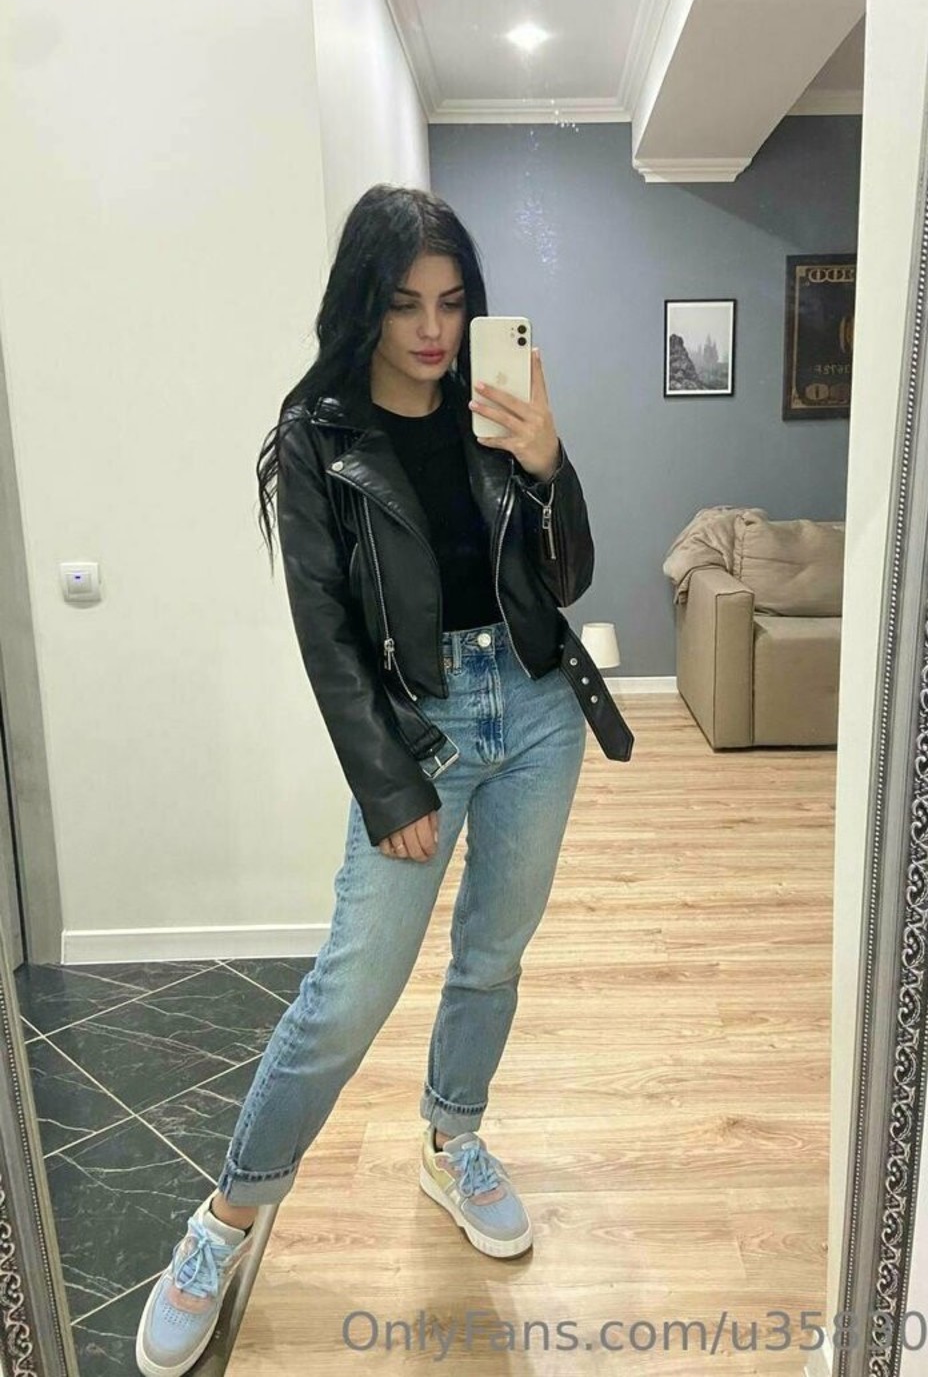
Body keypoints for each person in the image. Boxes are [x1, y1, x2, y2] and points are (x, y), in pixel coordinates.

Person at [135, 184, 624, 1376]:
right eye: (407, 303)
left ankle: (452, 1141)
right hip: (421, 726)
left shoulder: (494, 409)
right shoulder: (318, 438)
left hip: (538, 708)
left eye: (453, 303)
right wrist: (389, 783)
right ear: (366, 302)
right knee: (348, 993)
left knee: (493, 954)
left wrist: (550, 461)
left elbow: (566, 579)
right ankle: (228, 1218)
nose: (434, 329)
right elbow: (328, 635)